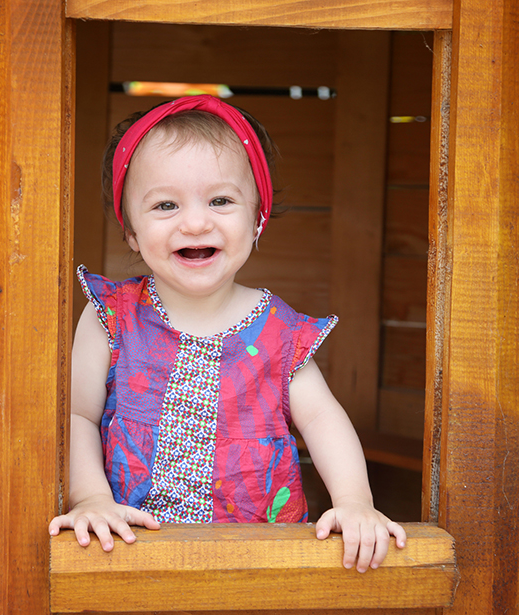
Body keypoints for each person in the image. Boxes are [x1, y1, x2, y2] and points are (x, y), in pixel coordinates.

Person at [48, 95, 406, 572]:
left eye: (221, 200)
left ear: (257, 217)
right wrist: (90, 497)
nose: (196, 221)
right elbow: (76, 416)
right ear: (131, 231)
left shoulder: (278, 331)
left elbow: (322, 419)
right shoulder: (109, 318)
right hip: (131, 551)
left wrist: (356, 501)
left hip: (256, 560)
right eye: (165, 204)